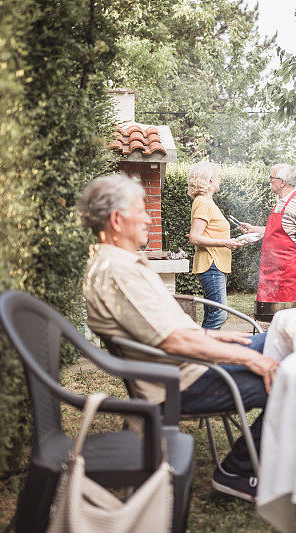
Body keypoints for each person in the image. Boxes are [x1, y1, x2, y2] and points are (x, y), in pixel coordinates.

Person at [78, 172, 277, 502]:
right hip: (184, 381)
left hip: (192, 363)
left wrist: (216, 337)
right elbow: (171, 341)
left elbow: (164, 327)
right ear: (116, 220)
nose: (148, 216)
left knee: (282, 346)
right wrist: (249, 357)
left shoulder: (119, 261)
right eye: (141, 209)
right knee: (285, 382)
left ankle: (273, 455)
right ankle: (236, 471)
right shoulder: (118, 270)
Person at [239, 163, 296, 305]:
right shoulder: (280, 202)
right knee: (269, 311)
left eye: (271, 178)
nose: (269, 181)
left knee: (289, 312)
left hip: (288, 270)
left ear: (282, 182)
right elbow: (275, 231)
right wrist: (253, 229)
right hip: (271, 268)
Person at [187, 161, 244, 329]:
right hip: (211, 264)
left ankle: (204, 352)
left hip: (216, 265)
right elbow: (194, 237)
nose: (220, 180)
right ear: (210, 180)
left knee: (214, 312)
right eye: (217, 177)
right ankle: (203, 352)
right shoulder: (203, 202)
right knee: (219, 314)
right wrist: (226, 242)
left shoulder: (208, 202)